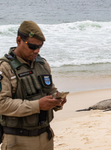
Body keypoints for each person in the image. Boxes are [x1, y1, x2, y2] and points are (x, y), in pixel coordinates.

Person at [0, 21, 67, 150]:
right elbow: (2, 104)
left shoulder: (42, 64)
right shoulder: (5, 68)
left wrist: (57, 99)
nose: (36, 51)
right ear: (19, 40)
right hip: (18, 141)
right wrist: (37, 105)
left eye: (39, 46)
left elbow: (50, 89)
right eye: (31, 46)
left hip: (45, 137)